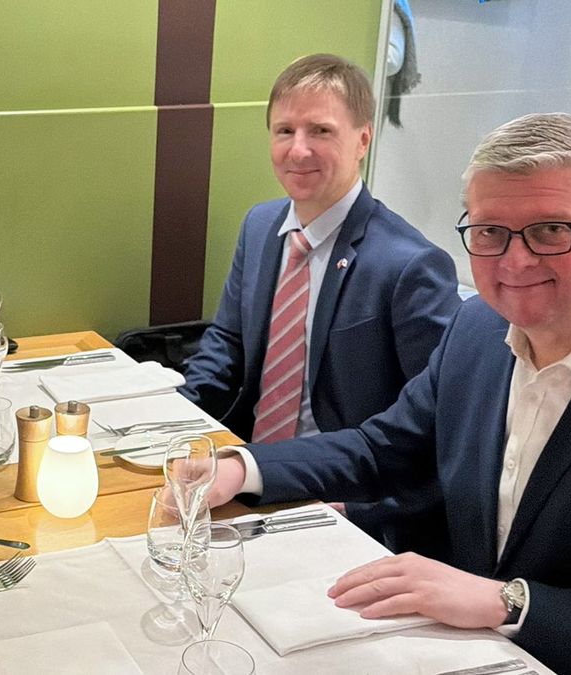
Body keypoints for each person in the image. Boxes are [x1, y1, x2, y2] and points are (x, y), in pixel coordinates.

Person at [206, 113, 571, 674]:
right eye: (489, 232)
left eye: (549, 230)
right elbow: (382, 450)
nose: (515, 260)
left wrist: (511, 604)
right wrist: (240, 468)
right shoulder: (477, 327)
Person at [181, 53, 460, 552]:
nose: (298, 149)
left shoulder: (410, 266)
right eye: (284, 131)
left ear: (363, 140)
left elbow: (439, 428)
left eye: (321, 131)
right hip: (242, 471)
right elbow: (226, 341)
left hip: (337, 497)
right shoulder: (261, 226)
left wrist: (362, 510)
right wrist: (180, 422)